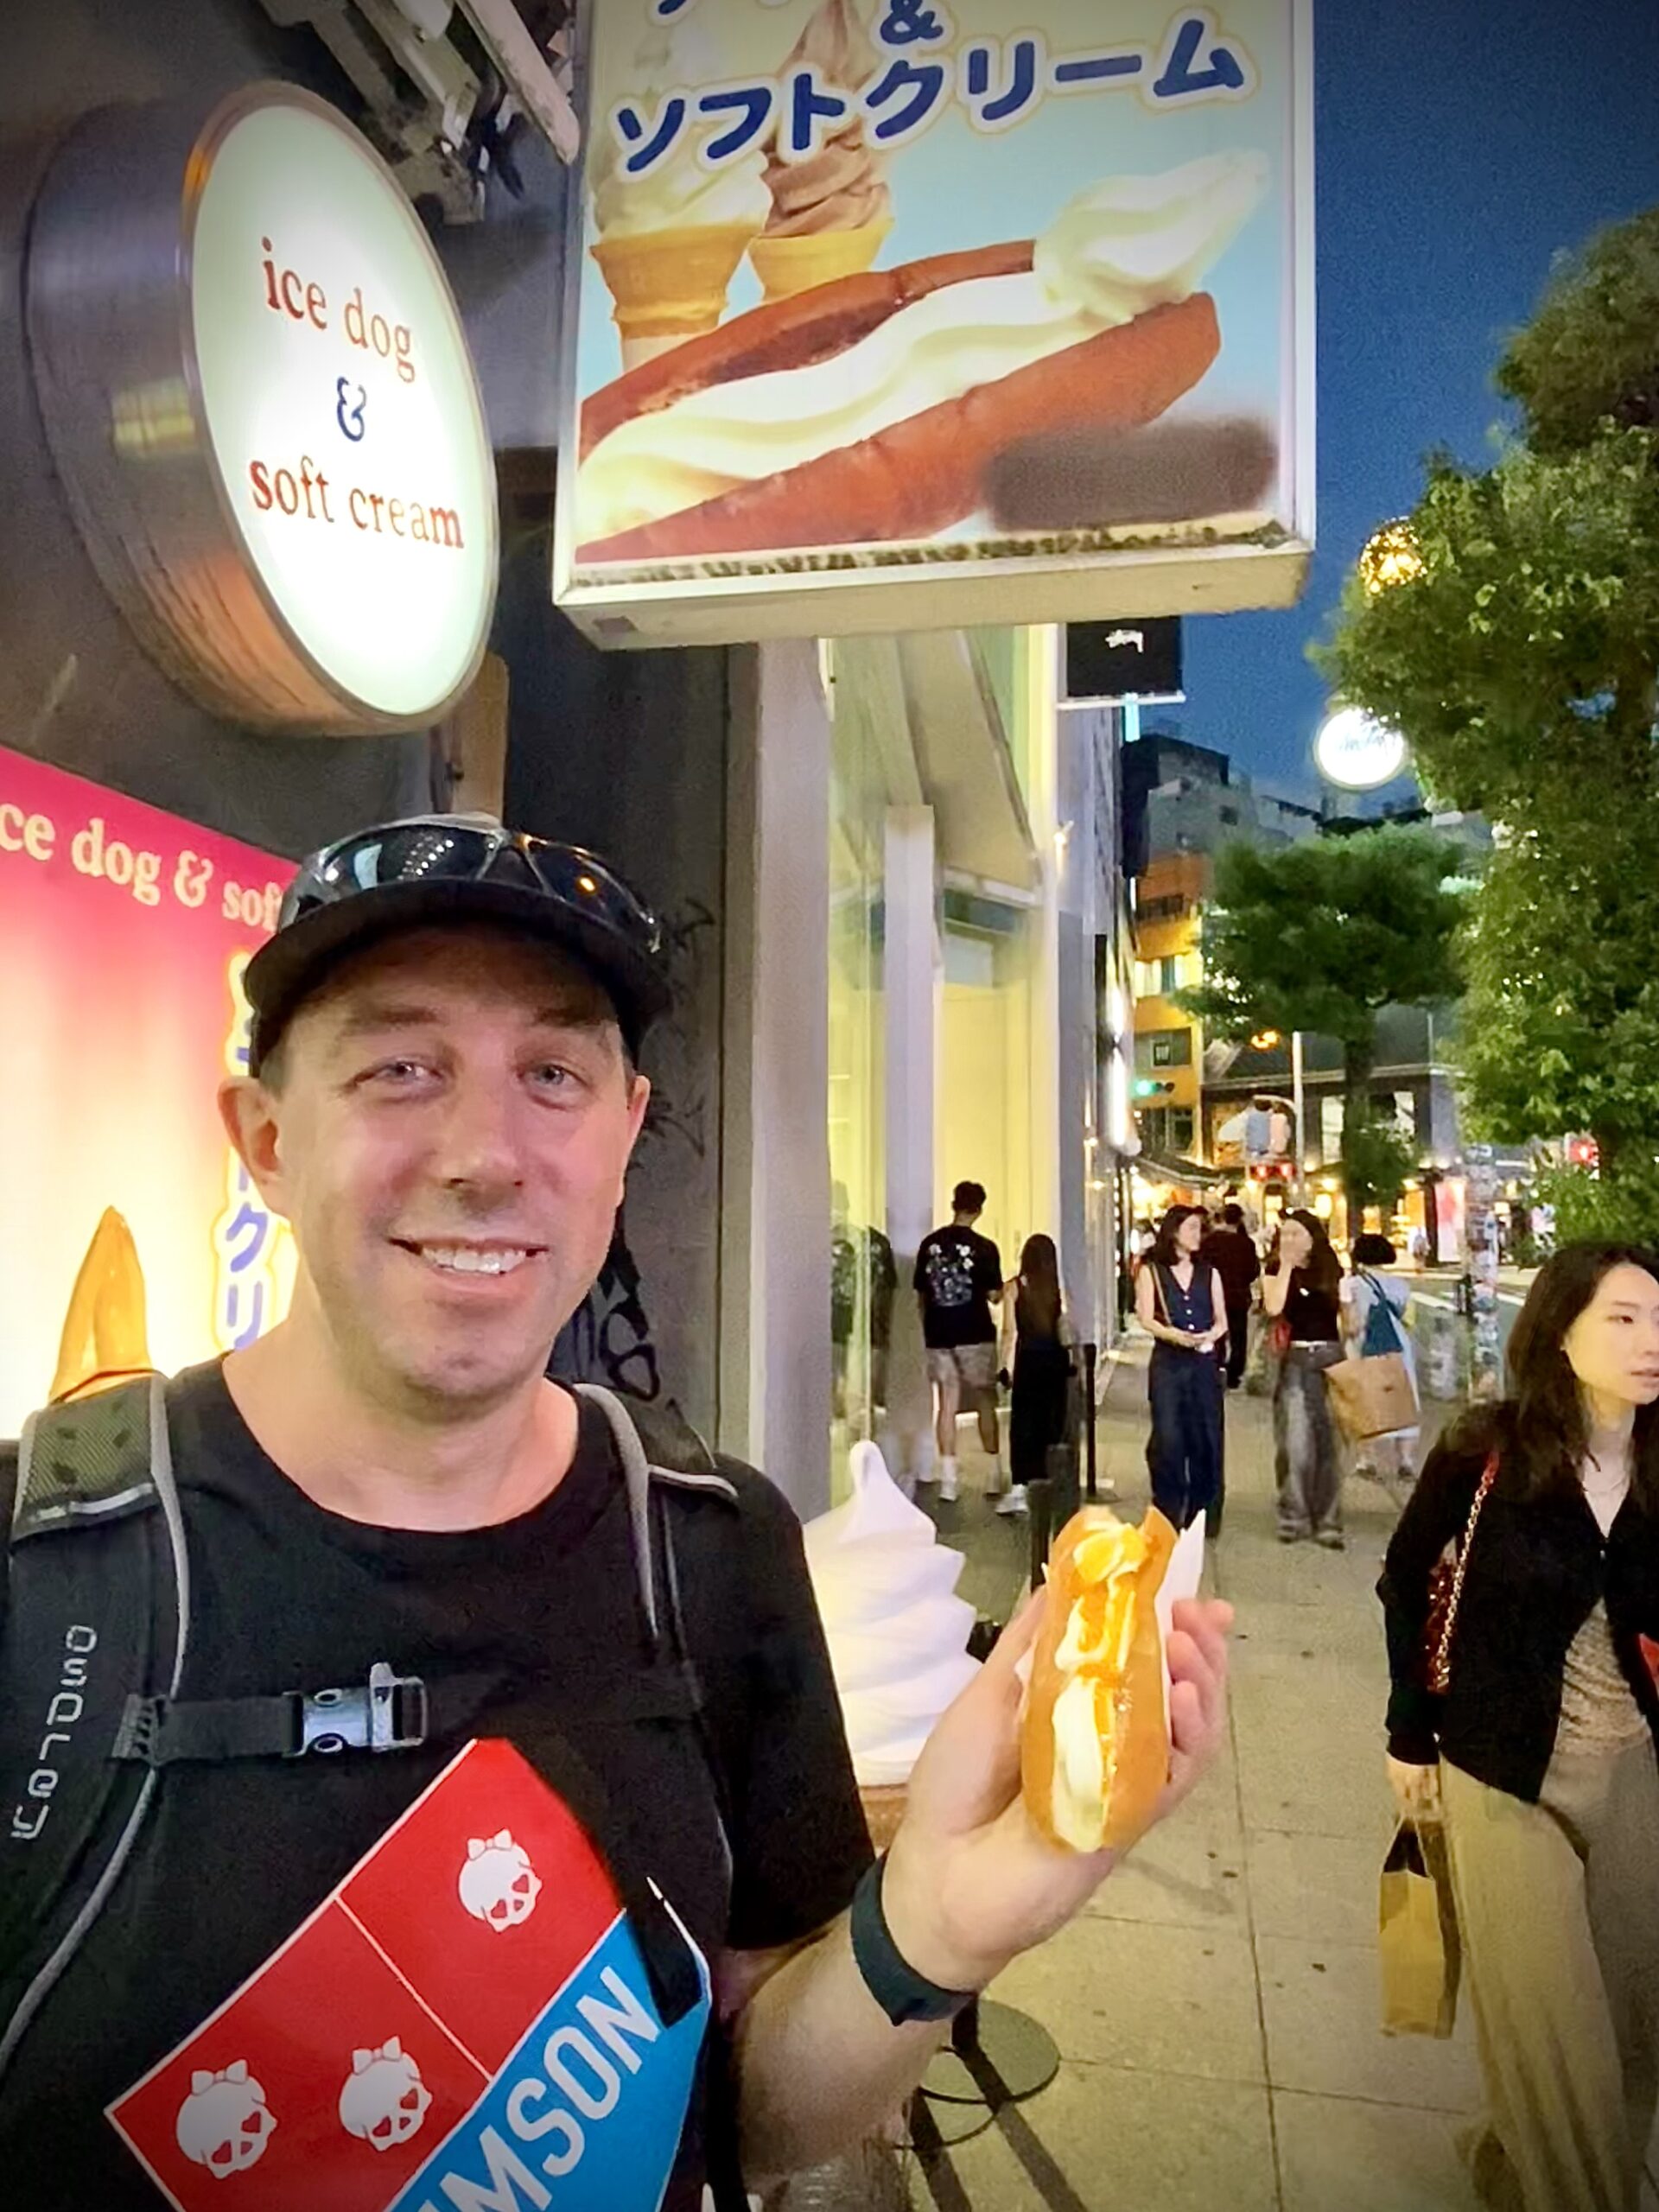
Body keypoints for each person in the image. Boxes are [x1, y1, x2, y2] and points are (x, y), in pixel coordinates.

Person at [0, 816, 1234, 2211]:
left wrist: (940, 1923)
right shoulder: (45, 1571)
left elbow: (750, 2113)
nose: (486, 1155)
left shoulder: (713, 1545)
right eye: (400, 1068)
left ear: (625, 1135)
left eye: (553, 1075)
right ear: (268, 1141)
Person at [1378, 1243, 1659, 2212]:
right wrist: (1407, 1735)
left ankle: (1508, 2168)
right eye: (1623, 1317)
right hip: (1503, 1775)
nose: (1651, 1341)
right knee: (1555, 2039)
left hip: (1635, 1774)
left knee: (1632, 2031)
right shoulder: (1485, 1452)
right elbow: (1406, 1577)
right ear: (1560, 1331)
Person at [1135, 1204, 1227, 1533]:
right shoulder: (1151, 1272)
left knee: (1205, 1436)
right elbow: (1146, 1317)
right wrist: (1174, 1335)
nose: (1197, 1235)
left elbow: (1221, 1320)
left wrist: (1209, 1337)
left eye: (1199, 1228)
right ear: (1174, 1232)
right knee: (1168, 1435)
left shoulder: (1209, 1273)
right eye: (1191, 1228)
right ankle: (1168, 1507)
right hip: (1168, 1363)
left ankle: (1203, 1511)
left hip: (1203, 1363)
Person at [914, 1181, 1006, 1505]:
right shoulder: (985, 1248)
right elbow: (994, 1296)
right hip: (975, 1333)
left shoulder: (929, 1245)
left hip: (938, 1334)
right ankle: (993, 1473)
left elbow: (921, 1296)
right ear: (979, 1209)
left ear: (954, 1204)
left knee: (947, 1404)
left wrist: (929, 1326)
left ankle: (949, 1481)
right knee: (984, 1400)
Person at [1262, 1208, 1345, 1546]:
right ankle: (1293, 1516)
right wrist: (1285, 1265)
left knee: (1329, 1444)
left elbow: (1346, 1320)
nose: (1290, 1239)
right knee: (1295, 1443)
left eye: (1297, 1233)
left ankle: (1328, 1519)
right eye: (1286, 1233)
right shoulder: (1275, 1269)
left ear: (1313, 1238)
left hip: (1331, 1357)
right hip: (1296, 1358)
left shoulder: (1331, 1269)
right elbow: (1273, 1307)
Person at [997, 1234, 1074, 1521]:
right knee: (1050, 1422)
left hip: (1028, 1360)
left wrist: (1003, 1366)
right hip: (1055, 1361)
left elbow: (1009, 1332)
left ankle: (1020, 1489)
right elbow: (1065, 1325)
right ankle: (1049, 1484)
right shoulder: (1056, 1289)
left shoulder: (1014, 1287)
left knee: (1023, 1424)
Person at [1341, 1232, 1421, 1484]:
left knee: (1364, 1403)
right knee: (1402, 1402)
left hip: (1363, 1348)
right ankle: (1405, 1461)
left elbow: (1351, 1326)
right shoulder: (1400, 1285)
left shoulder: (1351, 1285)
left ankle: (1367, 1460)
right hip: (1398, 1347)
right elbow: (1408, 1319)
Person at [1205, 1201, 1262, 1391]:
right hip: (1238, 1296)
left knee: (1216, 1333)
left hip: (1213, 1295)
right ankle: (1234, 1374)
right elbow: (1253, 1271)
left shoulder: (1210, 1241)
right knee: (1239, 1337)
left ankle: (1217, 1366)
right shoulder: (1246, 1243)